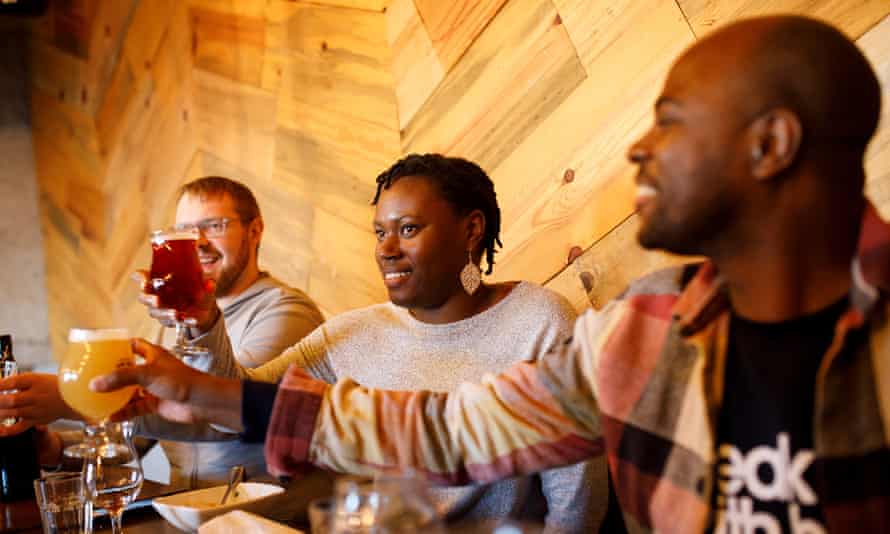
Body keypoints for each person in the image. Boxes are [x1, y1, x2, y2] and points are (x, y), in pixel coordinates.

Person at [93, 15, 890, 533]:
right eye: (381, 232)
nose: (640, 150)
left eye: (671, 124)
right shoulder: (643, 326)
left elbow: (573, 510)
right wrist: (207, 388)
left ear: (770, 145)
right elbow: (449, 430)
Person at [180, 155, 607, 532]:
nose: (385, 249)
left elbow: (577, 496)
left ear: (472, 229)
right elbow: (238, 407)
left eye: (408, 229)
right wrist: (204, 322)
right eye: (379, 232)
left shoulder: (541, 321)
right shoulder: (353, 334)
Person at [0, 176, 326, 489]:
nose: (197, 241)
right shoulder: (174, 321)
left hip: (266, 514)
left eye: (214, 225)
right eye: (184, 230)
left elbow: (227, 412)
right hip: (187, 511)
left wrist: (74, 399)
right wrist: (55, 449)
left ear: (254, 230)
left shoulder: (287, 311)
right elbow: (139, 436)